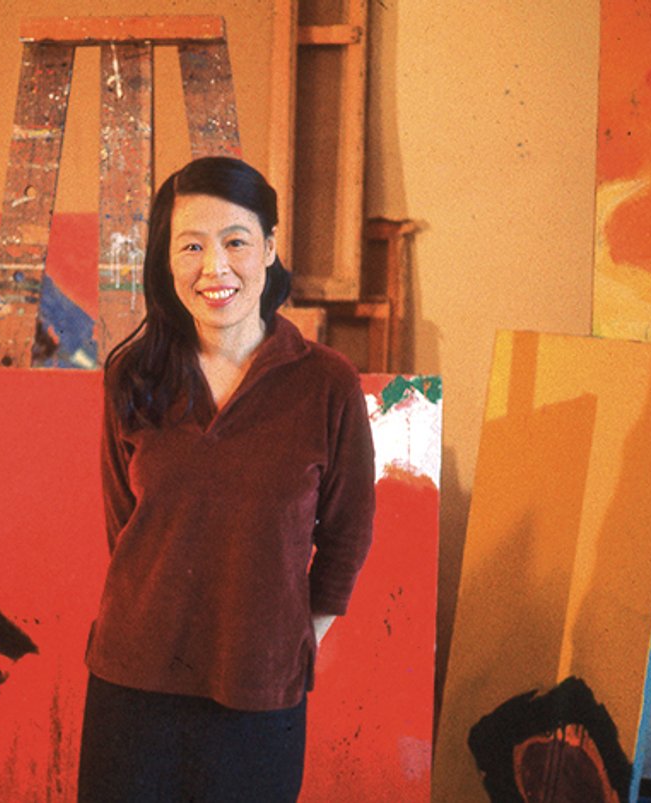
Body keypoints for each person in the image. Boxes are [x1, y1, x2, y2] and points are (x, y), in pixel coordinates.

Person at [77, 156, 377, 802]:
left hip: (259, 696)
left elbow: (348, 533)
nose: (215, 268)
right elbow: (122, 526)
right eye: (191, 246)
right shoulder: (133, 376)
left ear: (268, 248)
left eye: (235, 241)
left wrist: (291, 637)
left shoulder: (326, 382)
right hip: (130, 688)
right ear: (166, 261)